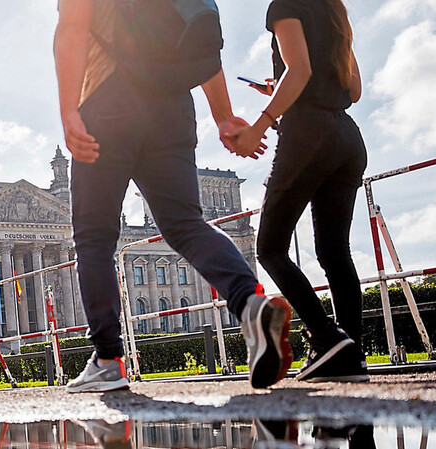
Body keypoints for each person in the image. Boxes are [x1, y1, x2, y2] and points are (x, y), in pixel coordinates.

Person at [54, 0, 293, 393]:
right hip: (173, 108)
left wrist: (69, 110)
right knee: (186, 225)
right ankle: (250, 302)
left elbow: (72, 30)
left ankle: (109, 360)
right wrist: (223, 115)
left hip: (108, 103)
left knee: (94, 239)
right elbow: (201, 45)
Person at [231, 0, 369, 382]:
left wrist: (261, 124)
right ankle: (350, 354)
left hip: (307, 136)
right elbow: (353, 90)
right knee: (335, 253)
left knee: (270, 248)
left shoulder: (284, 5)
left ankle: (326, 338)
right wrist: (282, 88)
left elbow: (301, 70)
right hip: (347, 138)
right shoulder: (335, 11)